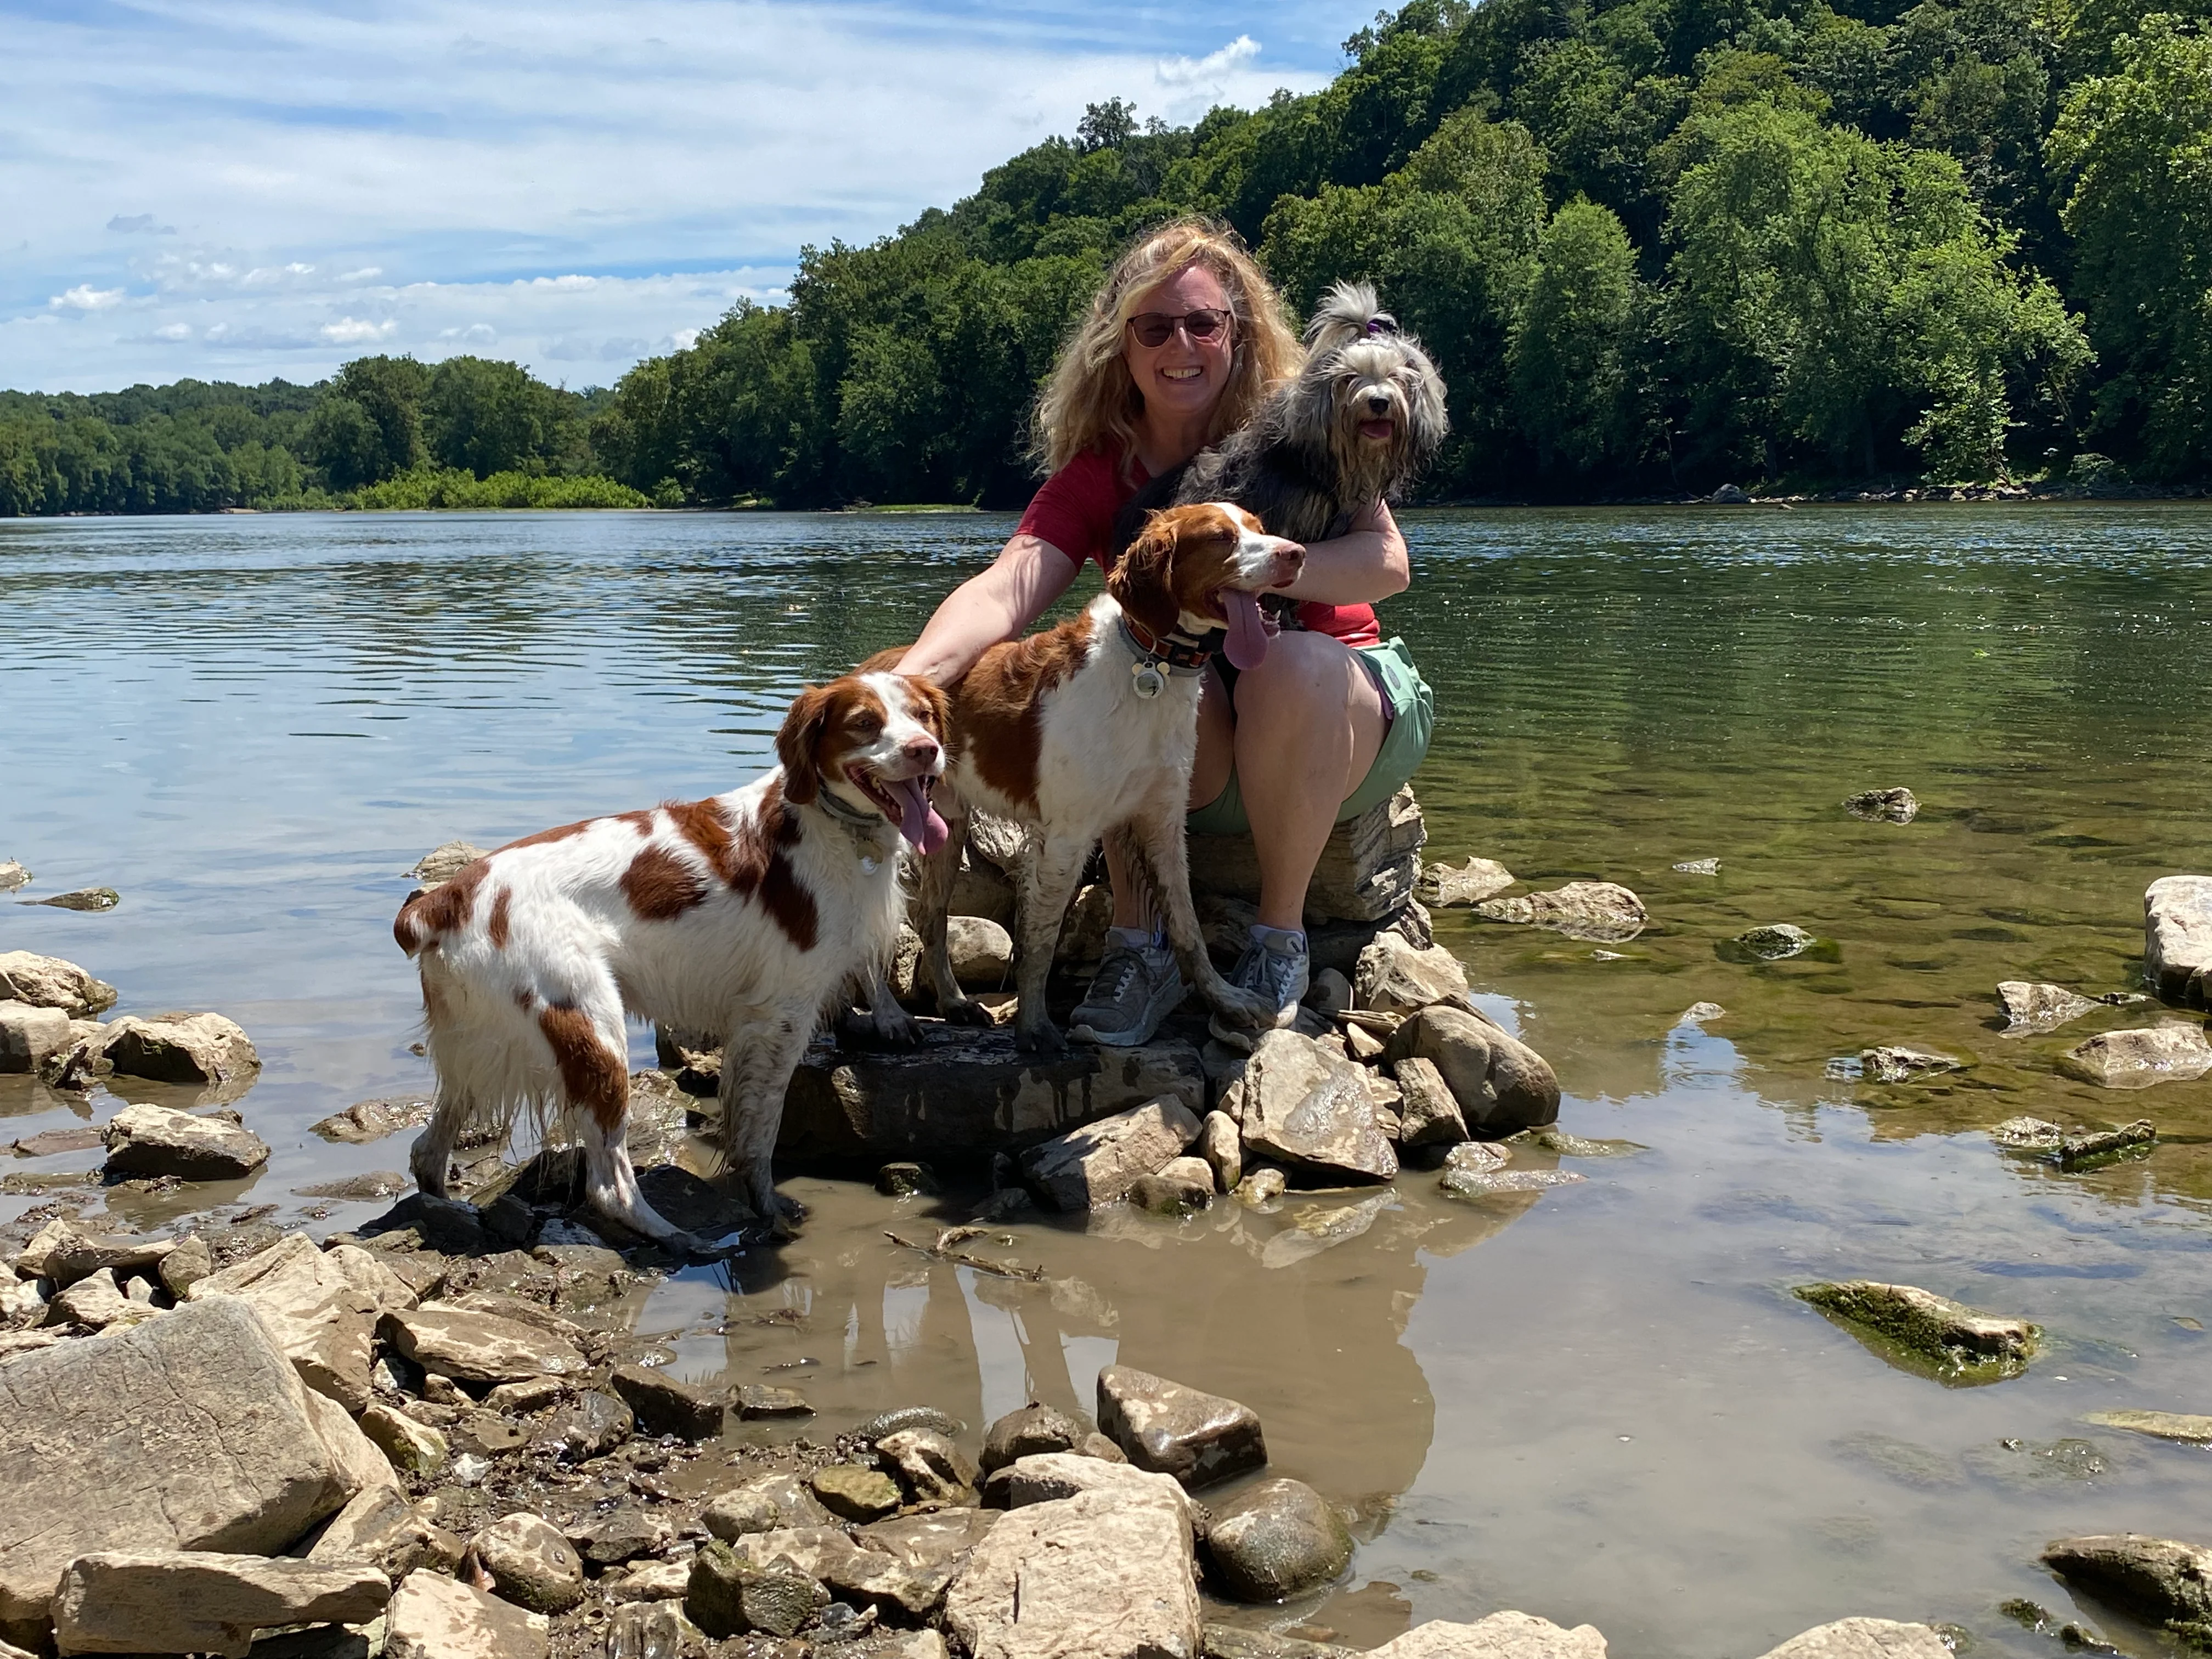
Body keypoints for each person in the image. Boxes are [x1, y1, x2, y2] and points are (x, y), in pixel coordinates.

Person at [893, 218, 1433, 1049]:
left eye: (1202, 323)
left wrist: (1260, 567)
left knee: (1288, 667)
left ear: (1236, 333)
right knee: (1126, 687)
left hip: (1342, 710)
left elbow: (1387, 563)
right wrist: (907, 687)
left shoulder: (1303, 427)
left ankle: (1279, 942)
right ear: (1122, 345)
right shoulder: (1098, 473)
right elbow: (1010, 584)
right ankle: (1140, 947)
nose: (1180, 344)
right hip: (1206, 728)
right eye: (1155, 326)